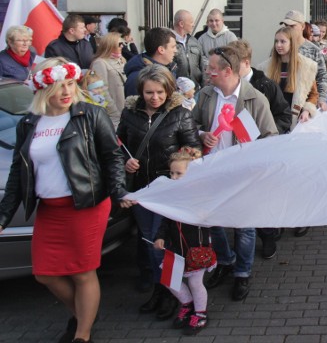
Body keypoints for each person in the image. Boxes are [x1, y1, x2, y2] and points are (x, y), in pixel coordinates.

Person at [0, 58, 129, 343]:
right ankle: (82, 314)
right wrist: (3, 216)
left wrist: (119, 191)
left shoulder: (91, 115)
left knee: (83, 272)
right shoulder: (29, 123)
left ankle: (82, 335)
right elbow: (16, 174)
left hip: (87, 206)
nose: (66, 91)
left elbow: (112, 157)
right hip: (50, 210)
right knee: (44, 274)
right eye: (58, 86)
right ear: (43, 90)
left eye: (70, 84)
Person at [194, 45, 277, 302]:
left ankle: (242, 273)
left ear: (227, 70)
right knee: (213, 222)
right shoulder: (206, 95)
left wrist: (252, 151)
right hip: (212, 171)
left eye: (212, 69)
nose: (207, 72)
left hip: (243, 174)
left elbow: (271, 137)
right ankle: (226, 261)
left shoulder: (255, 99)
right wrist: (200, 134)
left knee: (244, 227)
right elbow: (192, 124)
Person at [118, 65, 201, 317]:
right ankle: (161, 287)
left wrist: (177, 164)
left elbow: (193, 151)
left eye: (160, 92)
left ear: (169, 90)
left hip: (168, 191)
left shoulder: (180, 114)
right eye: (149, 92)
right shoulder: (130, 114)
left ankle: (170, 293)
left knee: (161, 244)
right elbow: (119, 145)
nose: (154, 98)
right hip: (142, 190)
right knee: (148, 241)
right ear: (140, 92)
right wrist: (125, 162)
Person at [153, 148, 214, 336]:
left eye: (178, 173)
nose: (173, 177)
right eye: (171, 173)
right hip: (175, 248)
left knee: (196, 283)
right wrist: (160, 236)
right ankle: (187, 304)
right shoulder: (171, 194)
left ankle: (200, 313)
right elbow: (165, 218)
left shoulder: (201, 195)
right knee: (169, 280)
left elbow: (208, 217)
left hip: (196, 249)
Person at [264, 26, 319, 130]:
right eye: (276, 41)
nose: (278, 45)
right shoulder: (265, 67)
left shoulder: (306, 66)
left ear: (292, 43)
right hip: (273, 121)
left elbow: (313, 94)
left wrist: (307, 110)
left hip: (295, 120)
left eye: (282, 41)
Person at [280, 10, 327, 108]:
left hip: (306, 103)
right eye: (286, 26)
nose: (287, 29)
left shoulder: (313, 50)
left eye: (292, 26)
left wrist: (321, 99)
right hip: (282, 102)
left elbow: (322, 76)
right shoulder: (279, 48)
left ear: (302, 27)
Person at [124, 27, 178, 97]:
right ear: (161, 50)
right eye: (173, 47)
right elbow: (135, 106)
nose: (175, 50)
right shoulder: (137, 78)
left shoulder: (169, 68)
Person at [90, 32, 127, 128]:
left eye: (123, 43)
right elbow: (98, 91)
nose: (122, 46)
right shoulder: (99, 63)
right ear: (110, 45)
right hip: (113, 113)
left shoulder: (121, 60)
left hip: (124, 110)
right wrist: (113, 110)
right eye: (119, 44)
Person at [172, 9, 203, 88]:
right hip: (177, 92)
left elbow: (201, 64)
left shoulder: (194, 41)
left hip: (195, 91)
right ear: (181, 24)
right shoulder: (169, 42)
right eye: (191, 22)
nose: (193, 25)